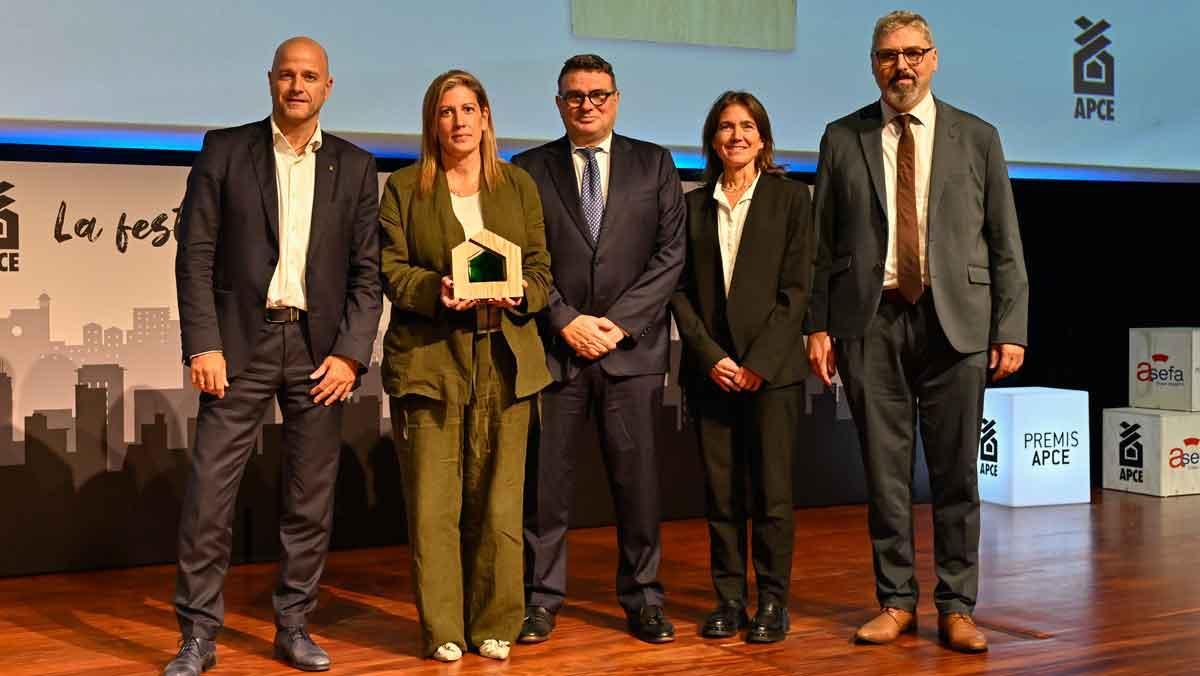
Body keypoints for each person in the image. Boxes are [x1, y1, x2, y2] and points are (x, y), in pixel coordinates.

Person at [805, 10, 1029, 654]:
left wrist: (1010, 326)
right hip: (869, 320)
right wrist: (818, 325)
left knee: (957, 474)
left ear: (932, 59)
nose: (900, 66)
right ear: (873, 64)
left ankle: (957, 606)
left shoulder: (977, 136)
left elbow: (1005, 242)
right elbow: (821, 243)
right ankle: (896, 601)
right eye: (887, 55)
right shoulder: (842, 136)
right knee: (885, 474)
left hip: (956, 321)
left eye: (912, 53)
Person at [169, 36, 382, 675]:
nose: (297, 86)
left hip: (319, 353)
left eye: (309, 76)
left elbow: (367, 275)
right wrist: (204, 342)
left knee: (309, 499)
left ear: (327, 87)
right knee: (209, 498)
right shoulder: (225, 150)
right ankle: (197, 636)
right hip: (239, 346)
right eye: (287, 74)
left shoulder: (356, 166)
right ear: (270, 80)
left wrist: (351, 355)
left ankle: (293, 625)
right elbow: (194, 256)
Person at [378, 69, 552, 663]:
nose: (458, 121)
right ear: (433, 122)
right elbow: (391, 270)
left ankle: (496, 622)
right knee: (434, 506)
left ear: (485, 117)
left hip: (507, 360)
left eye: (468, 109)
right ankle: (444, 629)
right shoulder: (404, 187)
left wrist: (521, 292)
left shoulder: (518, 185)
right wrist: (438, 290)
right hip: (431, 362)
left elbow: (542, 270)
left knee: (500, 504)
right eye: (446, 111)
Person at [513, 54, 686, 644]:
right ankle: (540, 599)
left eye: (597, 95)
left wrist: (616, 324)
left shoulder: (655, 163)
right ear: (558, 103)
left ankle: (644, 598)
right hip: (555, 350)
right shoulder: (528, 169)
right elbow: (522, 259)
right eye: (575, 96)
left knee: (637, 486)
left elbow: (670, 256)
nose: (586, 105)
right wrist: (564, 319)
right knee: (546, 489)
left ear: (616, 99)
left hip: (630, 353)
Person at [669, 91, 814, 644]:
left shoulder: (791, 199)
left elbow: (797, 290)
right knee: (721, 494)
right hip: (712, 374)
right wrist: (713, 358)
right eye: (726, 127)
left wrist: (757, 363)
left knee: (772, 495)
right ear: (712, 139)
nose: (737, 135)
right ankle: (729, 600)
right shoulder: (691, 206)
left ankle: (773, 602)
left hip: (771, 374)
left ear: (763, 138)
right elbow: (679, 292)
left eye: (747, 126)